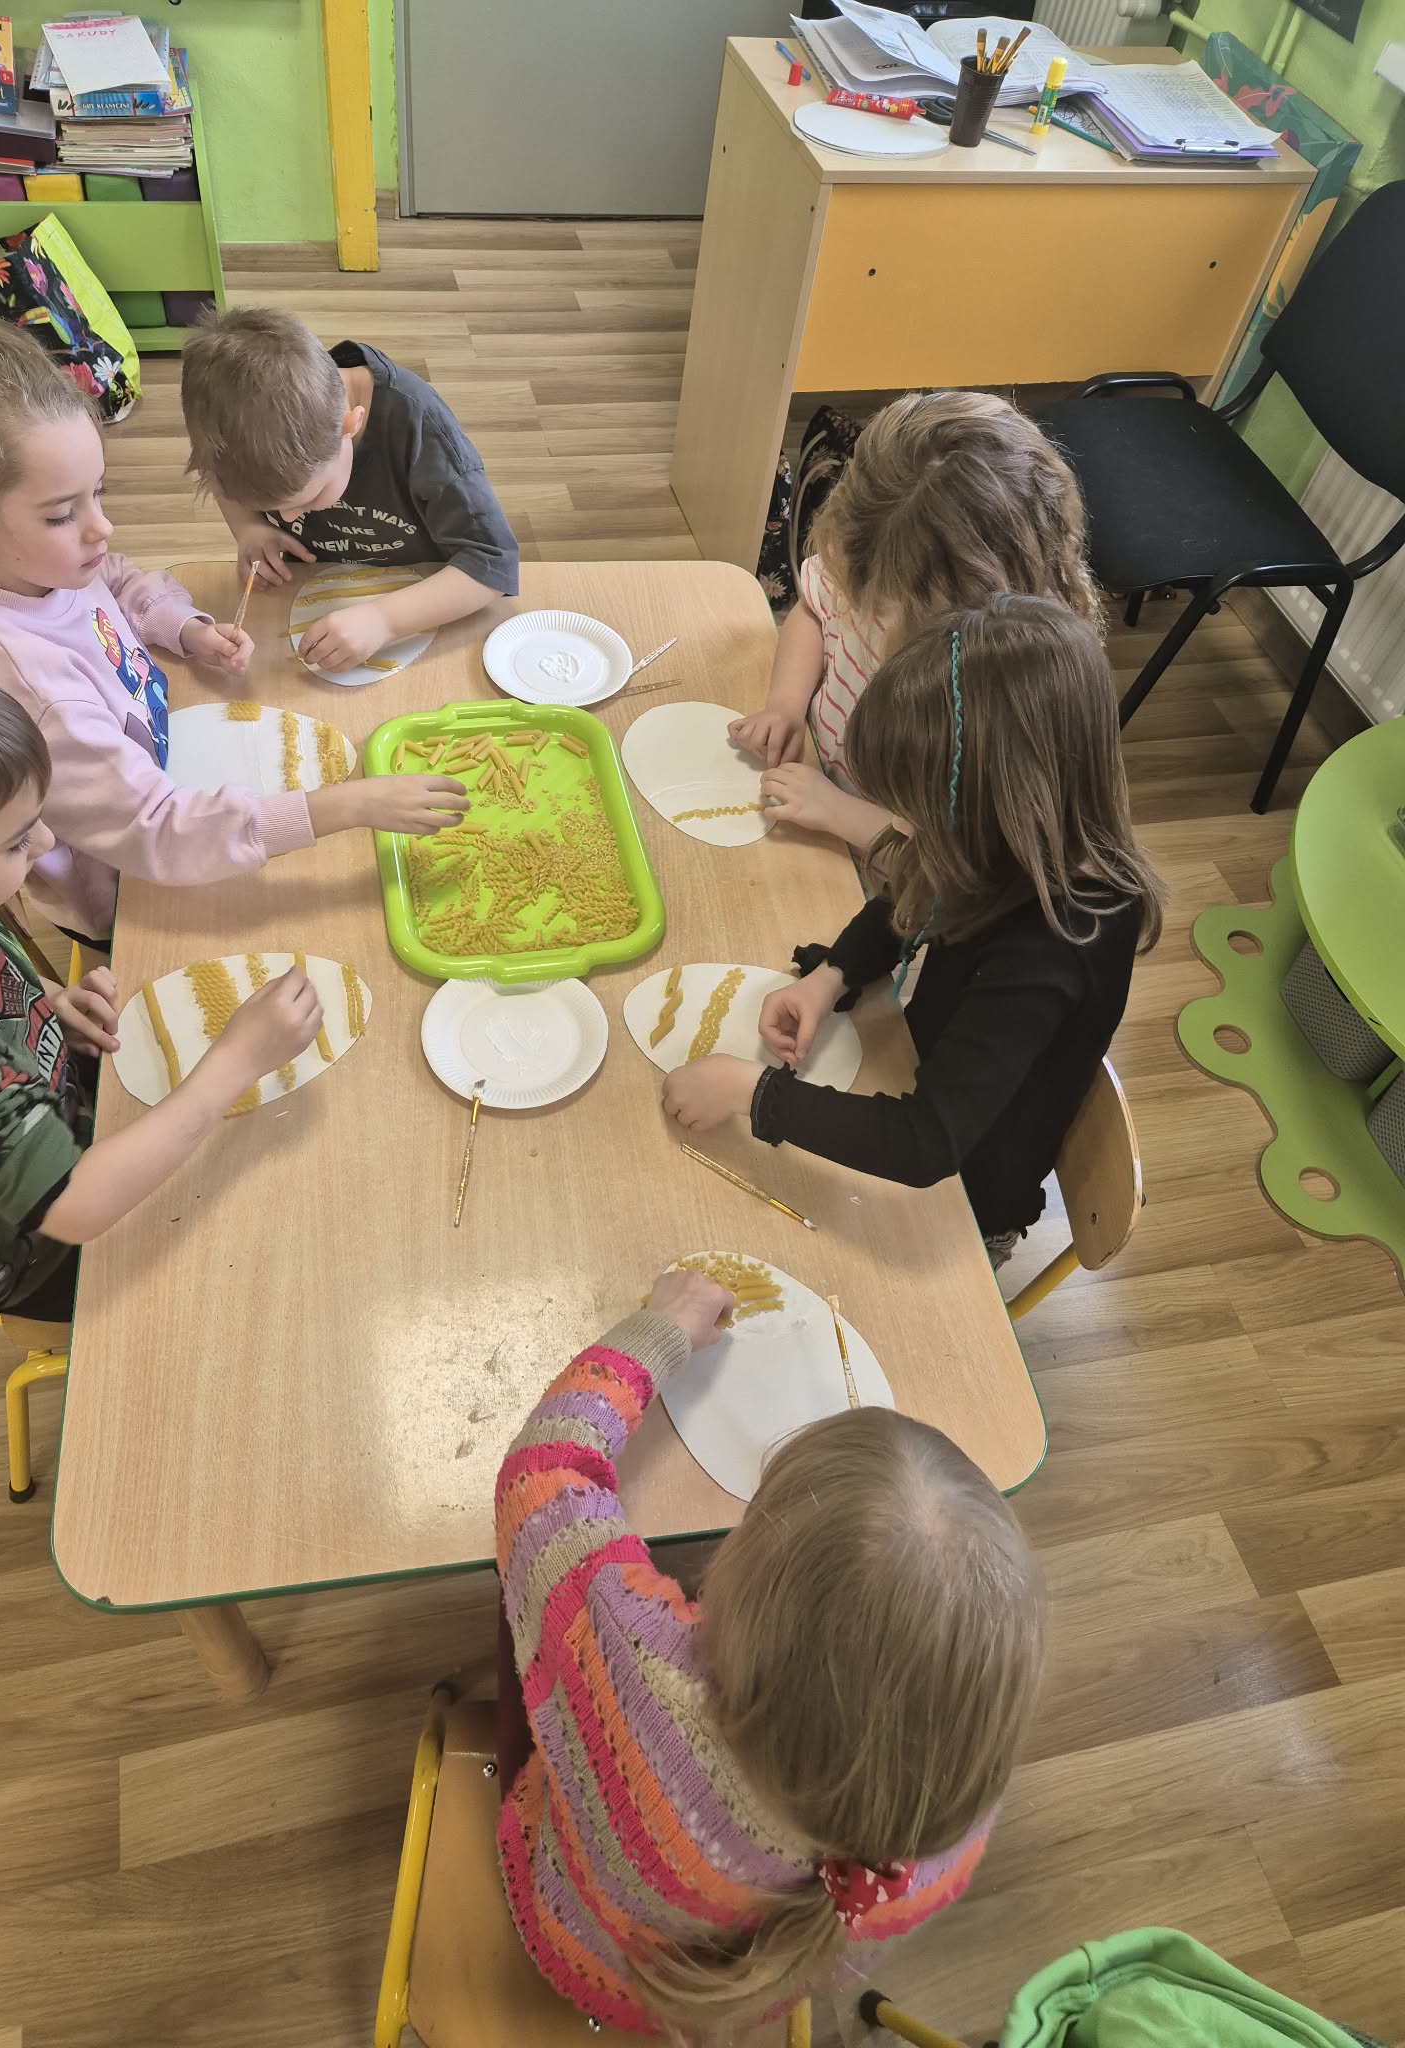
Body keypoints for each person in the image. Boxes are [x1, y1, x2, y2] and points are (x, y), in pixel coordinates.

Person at [495, 1263, 1047, 2036]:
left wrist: (663, 1331)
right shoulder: (952, 1837)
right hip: (717, 2005)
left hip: (567, 1929)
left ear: (735, 1586)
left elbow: (542, 1469)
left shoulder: (632, 1670)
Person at [0, 307, 467, 947]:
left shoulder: (36, 565)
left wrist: (184, 629)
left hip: (168, 778)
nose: (102, 527)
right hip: (128, 889)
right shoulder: (37, 691)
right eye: (62, 513)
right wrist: (346, 805)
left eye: (99, 493)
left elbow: (114, 580)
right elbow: (157, 829)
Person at [665, 595, 1165, 1265]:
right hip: (917, 1075)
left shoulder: (1059, 944)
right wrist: (832, 975)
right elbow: (921, 886)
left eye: (914, 814)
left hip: (963, 1202)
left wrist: (750, 1092)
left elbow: (924, 1144)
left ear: (1005, 807)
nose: (897, 828)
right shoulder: (1008, 847)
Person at [0, 641, 322, 1318]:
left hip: (54, 1108)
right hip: (42, 1251)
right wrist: (237, 1060)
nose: (47, 844)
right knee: (280, 1262)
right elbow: (75, 1206)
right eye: (16, 841)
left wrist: (46, 1005)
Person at [729, 391, 1098, 851]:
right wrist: (785, 705)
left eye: (894, 604)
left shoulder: (1005, 694)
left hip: (887, 862)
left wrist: (841, 814)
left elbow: (958, 862)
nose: (870, 610)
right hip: (819, 799)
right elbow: (813, 612)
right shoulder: (868, 554)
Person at [179, 306, 518, 672]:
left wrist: (384, 621)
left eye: (308, 498)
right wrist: (249, 526)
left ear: (350, 426)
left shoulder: (418, 423)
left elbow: (492, 564)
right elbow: (221, 481)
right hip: (318, 593)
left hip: (423, 601)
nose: (286, 518)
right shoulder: (240, 423)